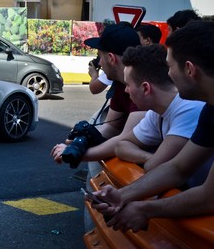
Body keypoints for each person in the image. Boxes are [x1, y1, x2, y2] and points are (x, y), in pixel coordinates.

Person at [91, 21, 214, 232]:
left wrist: (145, 209)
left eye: (169, 67)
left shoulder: (194, 108)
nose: (167, 76)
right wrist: (122, 195)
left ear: (189, 69)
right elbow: (178, 167)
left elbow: (208, 197)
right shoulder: (211, 110)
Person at [51, 22, 144, 166]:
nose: (99, 62)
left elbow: (126, 139)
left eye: (101, 56)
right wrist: (80, 141)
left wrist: (79, 153)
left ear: (112, 58)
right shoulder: (121, 84)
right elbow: (112, 127)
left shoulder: (141, 87)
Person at [115, 44, 202, 172]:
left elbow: (154, 166)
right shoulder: (157, 112)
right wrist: (149, 157)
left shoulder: (189, 108)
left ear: (146, 88)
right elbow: (121, 146)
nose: (126, 90)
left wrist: (151, 160)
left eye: (128, 84)